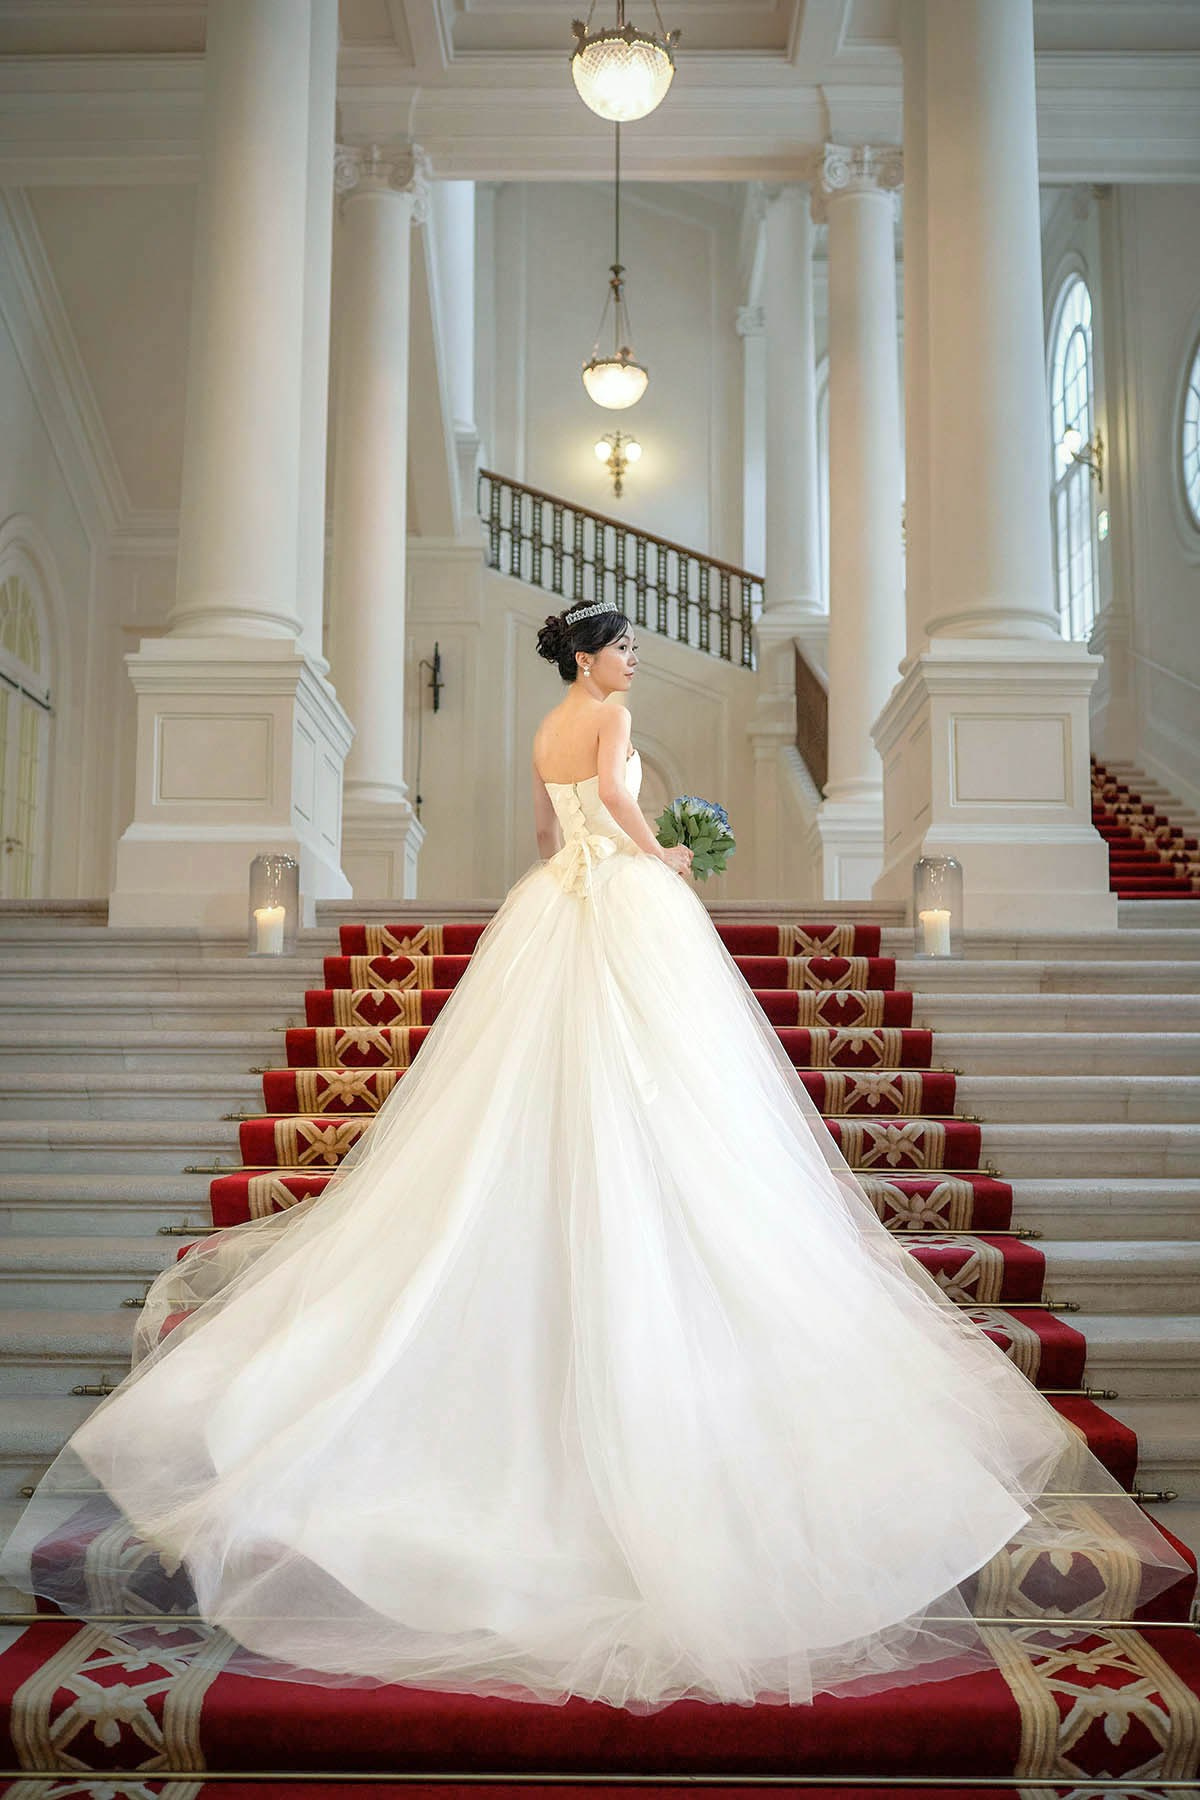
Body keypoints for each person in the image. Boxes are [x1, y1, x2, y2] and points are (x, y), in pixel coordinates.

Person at [0, 603, 1188, 1715]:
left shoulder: (544, 727)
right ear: (590, 658)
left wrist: (611, 851)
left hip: (550, 906)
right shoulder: (612, 718)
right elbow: (619, 815)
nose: (631, 663)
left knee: (542, 1084)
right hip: (619, 897)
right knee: (664, 1075)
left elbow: (540, 831)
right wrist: (662, 858)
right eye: (621, 648)